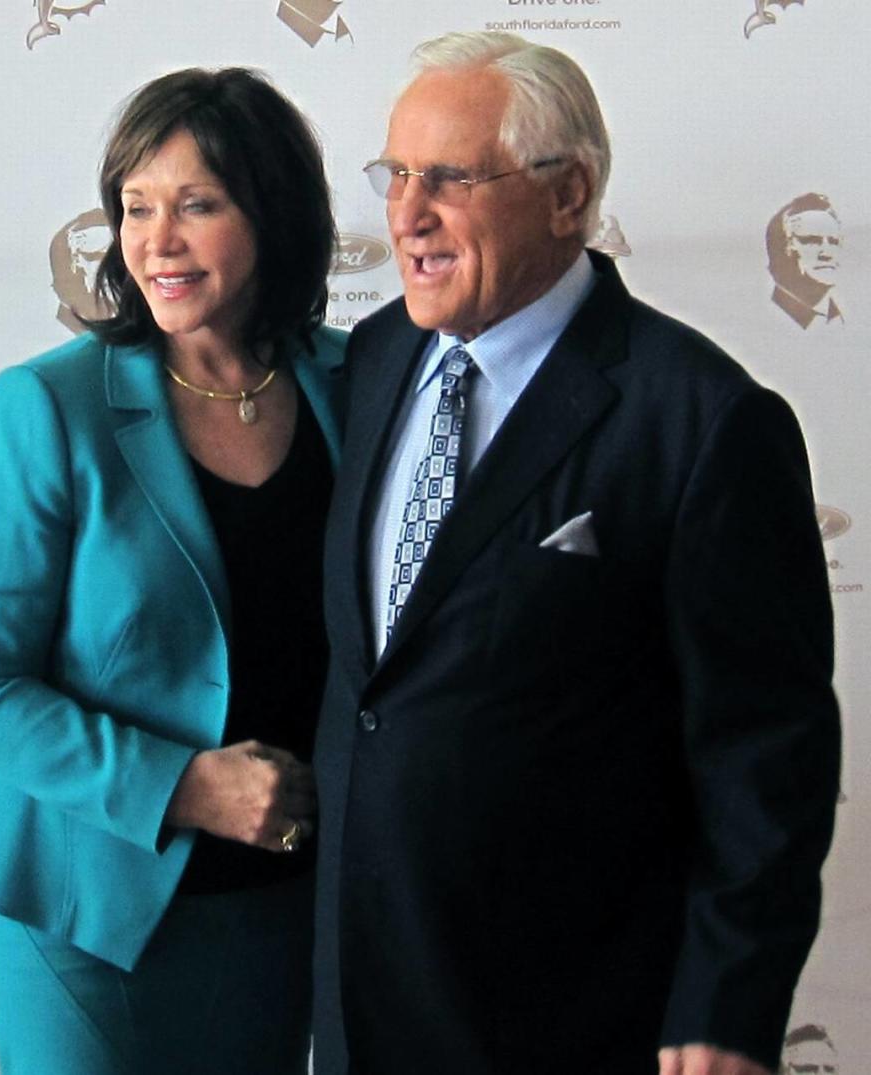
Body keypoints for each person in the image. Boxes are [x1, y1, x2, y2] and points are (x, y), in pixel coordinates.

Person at [312, 31, 839, 1075]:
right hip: (361, 996)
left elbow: (764, 754)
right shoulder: (372, 361)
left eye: (450, 179)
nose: (405, 216)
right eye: (396, 175)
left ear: (568, 194)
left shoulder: (700, 421)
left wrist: (726, 1005)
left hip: (570, 1013)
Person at [0, 66, 344, 1074]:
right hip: (84, 914)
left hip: (294, 902)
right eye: (135, 205)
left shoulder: (358, 379)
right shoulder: (47, 407)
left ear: (274, 214)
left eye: (197, 205)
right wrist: (188, 788)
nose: (155, 239)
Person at [766, 193, 843, 329]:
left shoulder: (842, 317)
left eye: (833, 241)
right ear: (784, 248)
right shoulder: (767, 321)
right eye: (811, 241)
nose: (827, 253)